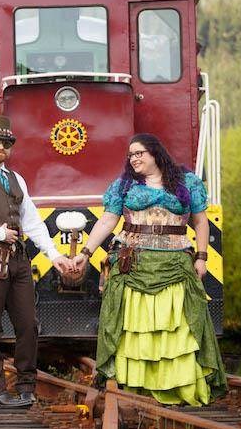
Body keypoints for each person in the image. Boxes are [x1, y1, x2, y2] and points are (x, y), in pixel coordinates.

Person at [72, 133, 227, 405]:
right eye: (130, 155)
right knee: (135, 328)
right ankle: (136, 389)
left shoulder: (187, 182)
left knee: (176, 327)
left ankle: (179, 388)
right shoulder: (123, 186)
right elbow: (108, 220)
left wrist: (201, 258)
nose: (134, 158)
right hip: (135, 265)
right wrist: (86, 252)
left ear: (155, 153)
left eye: (139, 153)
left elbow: (201, 222)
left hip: (176, 264)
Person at [0, 115, 70, 407]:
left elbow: (32, 222)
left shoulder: (16, 179)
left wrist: (54, 255)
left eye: (6, 143)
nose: (1, 148)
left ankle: (26, 385)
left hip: (18, 258)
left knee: (28, 324)